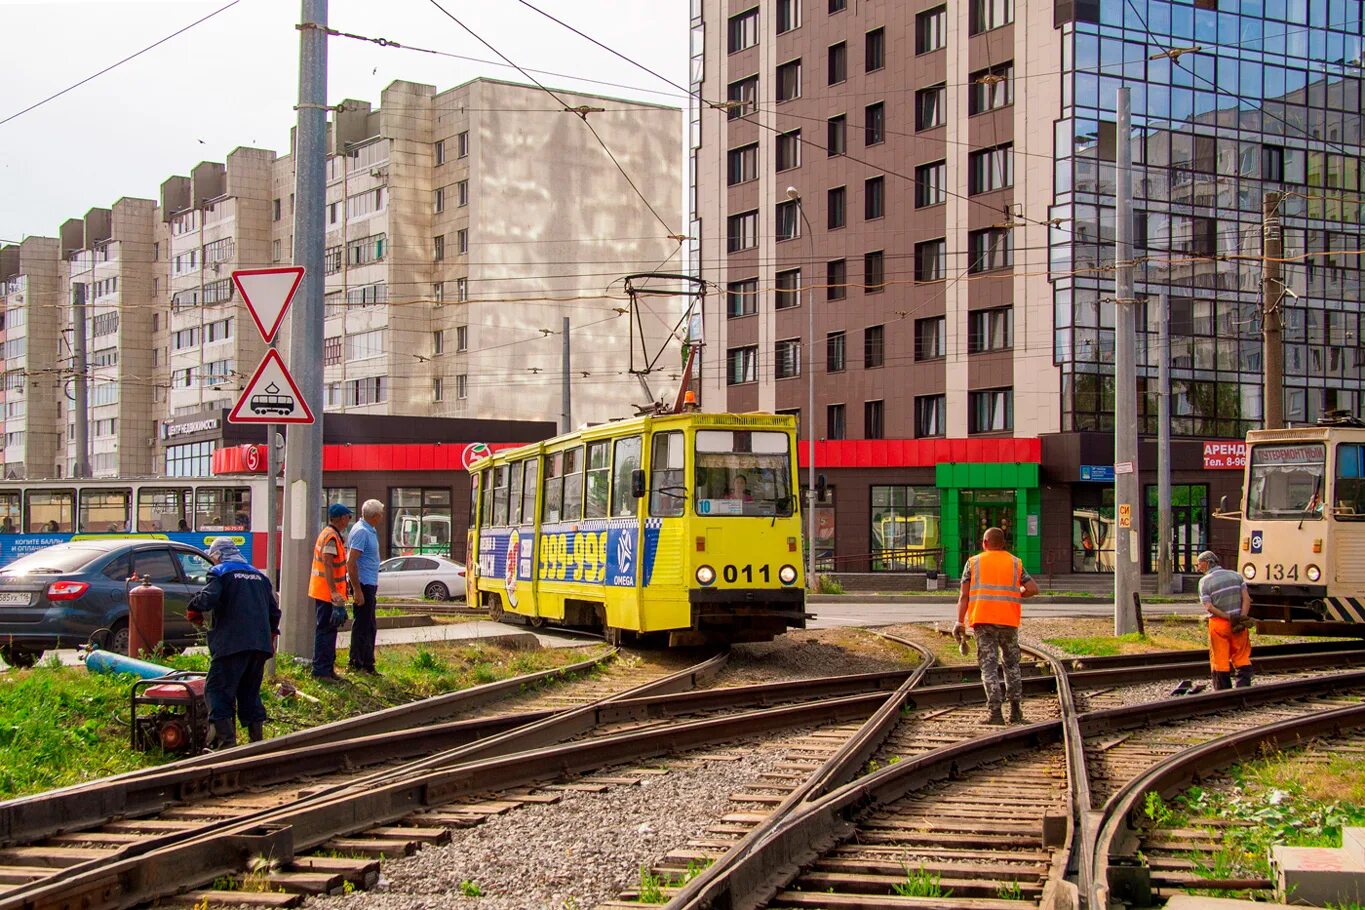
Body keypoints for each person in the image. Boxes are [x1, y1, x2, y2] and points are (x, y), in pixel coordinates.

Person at [187, 537, 280, 749]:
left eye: (212, 557)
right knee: (249, 692)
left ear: (218, 555)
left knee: (216, 690)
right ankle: (257, 741)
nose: (213, 561)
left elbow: (208, 598)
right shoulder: (260, 576)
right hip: (259, 645)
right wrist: (271, 635)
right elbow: (274, 612)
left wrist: (194, 607)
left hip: (231, 644)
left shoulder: (220, 572)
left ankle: (225, 743)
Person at [955, 526, 1040, 725]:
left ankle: (995, 714)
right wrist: (1016, 592)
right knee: (1012, 666)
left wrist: (959, 621)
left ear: (984, 543)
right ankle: (1016, 712)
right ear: (1003, 544)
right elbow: (1033, 589)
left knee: (989, 667)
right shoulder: (1015, 563)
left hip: (983, 622)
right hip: (1008, 622)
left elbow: (963, 596)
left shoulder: (973, 563)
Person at [1197, 550, 1253, 690]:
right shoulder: (1236, 576)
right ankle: (1243, 689)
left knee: (1220, 659)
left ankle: (1223, 692)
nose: (1198, 567)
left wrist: (1228, 617)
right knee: (1242, 656)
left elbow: (1209, 607)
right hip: (1239, 624)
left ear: (1206, 563)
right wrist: (1241, 618)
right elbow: (1246, 599)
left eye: (1198, 564)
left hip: (1218, 625)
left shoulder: (1204, 582)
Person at [309, 503, 352, 680]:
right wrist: (334, 592)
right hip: (327, 593)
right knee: (326, 631)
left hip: (326, 592)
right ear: (341, 518)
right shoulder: (331, 537)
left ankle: (327, 669)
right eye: (348, 517)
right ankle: (321, 670)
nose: (349, 521)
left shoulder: (330, 534)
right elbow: (327, 563)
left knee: (329, 630)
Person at [346, 499, 385, 675]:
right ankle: (357, 662)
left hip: (369, 583)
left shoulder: (369, 529)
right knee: (362, 625)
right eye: (381, 514)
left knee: (369, 625)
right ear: (375, 516)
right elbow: (351, 561)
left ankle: (367, 663)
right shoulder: (362, 532)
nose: (382, 517)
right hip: (363, 584)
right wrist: (357, 590)